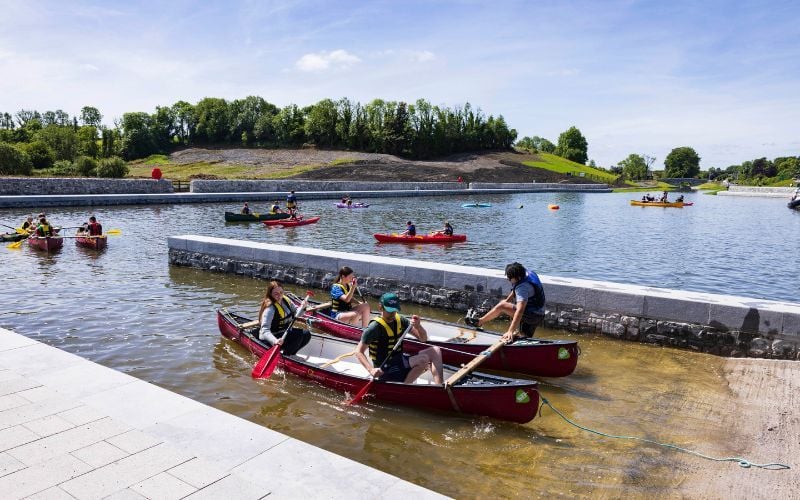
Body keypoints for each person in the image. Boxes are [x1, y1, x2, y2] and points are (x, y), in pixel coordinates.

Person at [355, 293, 443, 384]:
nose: (393, 314)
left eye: (395, 310)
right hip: (385, 368)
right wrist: (371, 370)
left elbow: (423, 339)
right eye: (389, 311)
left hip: (400, 361)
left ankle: (439, 387)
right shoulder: (374, 328)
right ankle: (405, 388)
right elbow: (358, 351)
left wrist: (419, 326)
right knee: (423, 359)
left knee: (435, 350)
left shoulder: (400, 320)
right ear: (380, 308)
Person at [465, 262, 546, 342]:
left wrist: (510, 331)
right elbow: (516, 289)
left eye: (510, 278)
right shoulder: (528, 273)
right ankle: (520, 337)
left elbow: (520, 310)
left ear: (518, 277)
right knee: (524, 337)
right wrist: (507, 301)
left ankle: (479, 322)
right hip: (539, 312)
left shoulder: (522, 288)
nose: (508, 279)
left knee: (502, 306)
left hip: (533, 316)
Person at [257, 281, 311, 356]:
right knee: (297, 337)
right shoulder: (270, 309)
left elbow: (297, 314)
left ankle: (290, 354)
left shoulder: (286, 300)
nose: (279, 296)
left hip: (283, 334)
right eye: (276, 294)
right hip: (270, 338)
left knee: (306, 334)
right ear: (270, 294)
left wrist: (303, 307)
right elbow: (264, 330)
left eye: (281, 292)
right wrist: (275, 341)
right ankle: (286, 357)